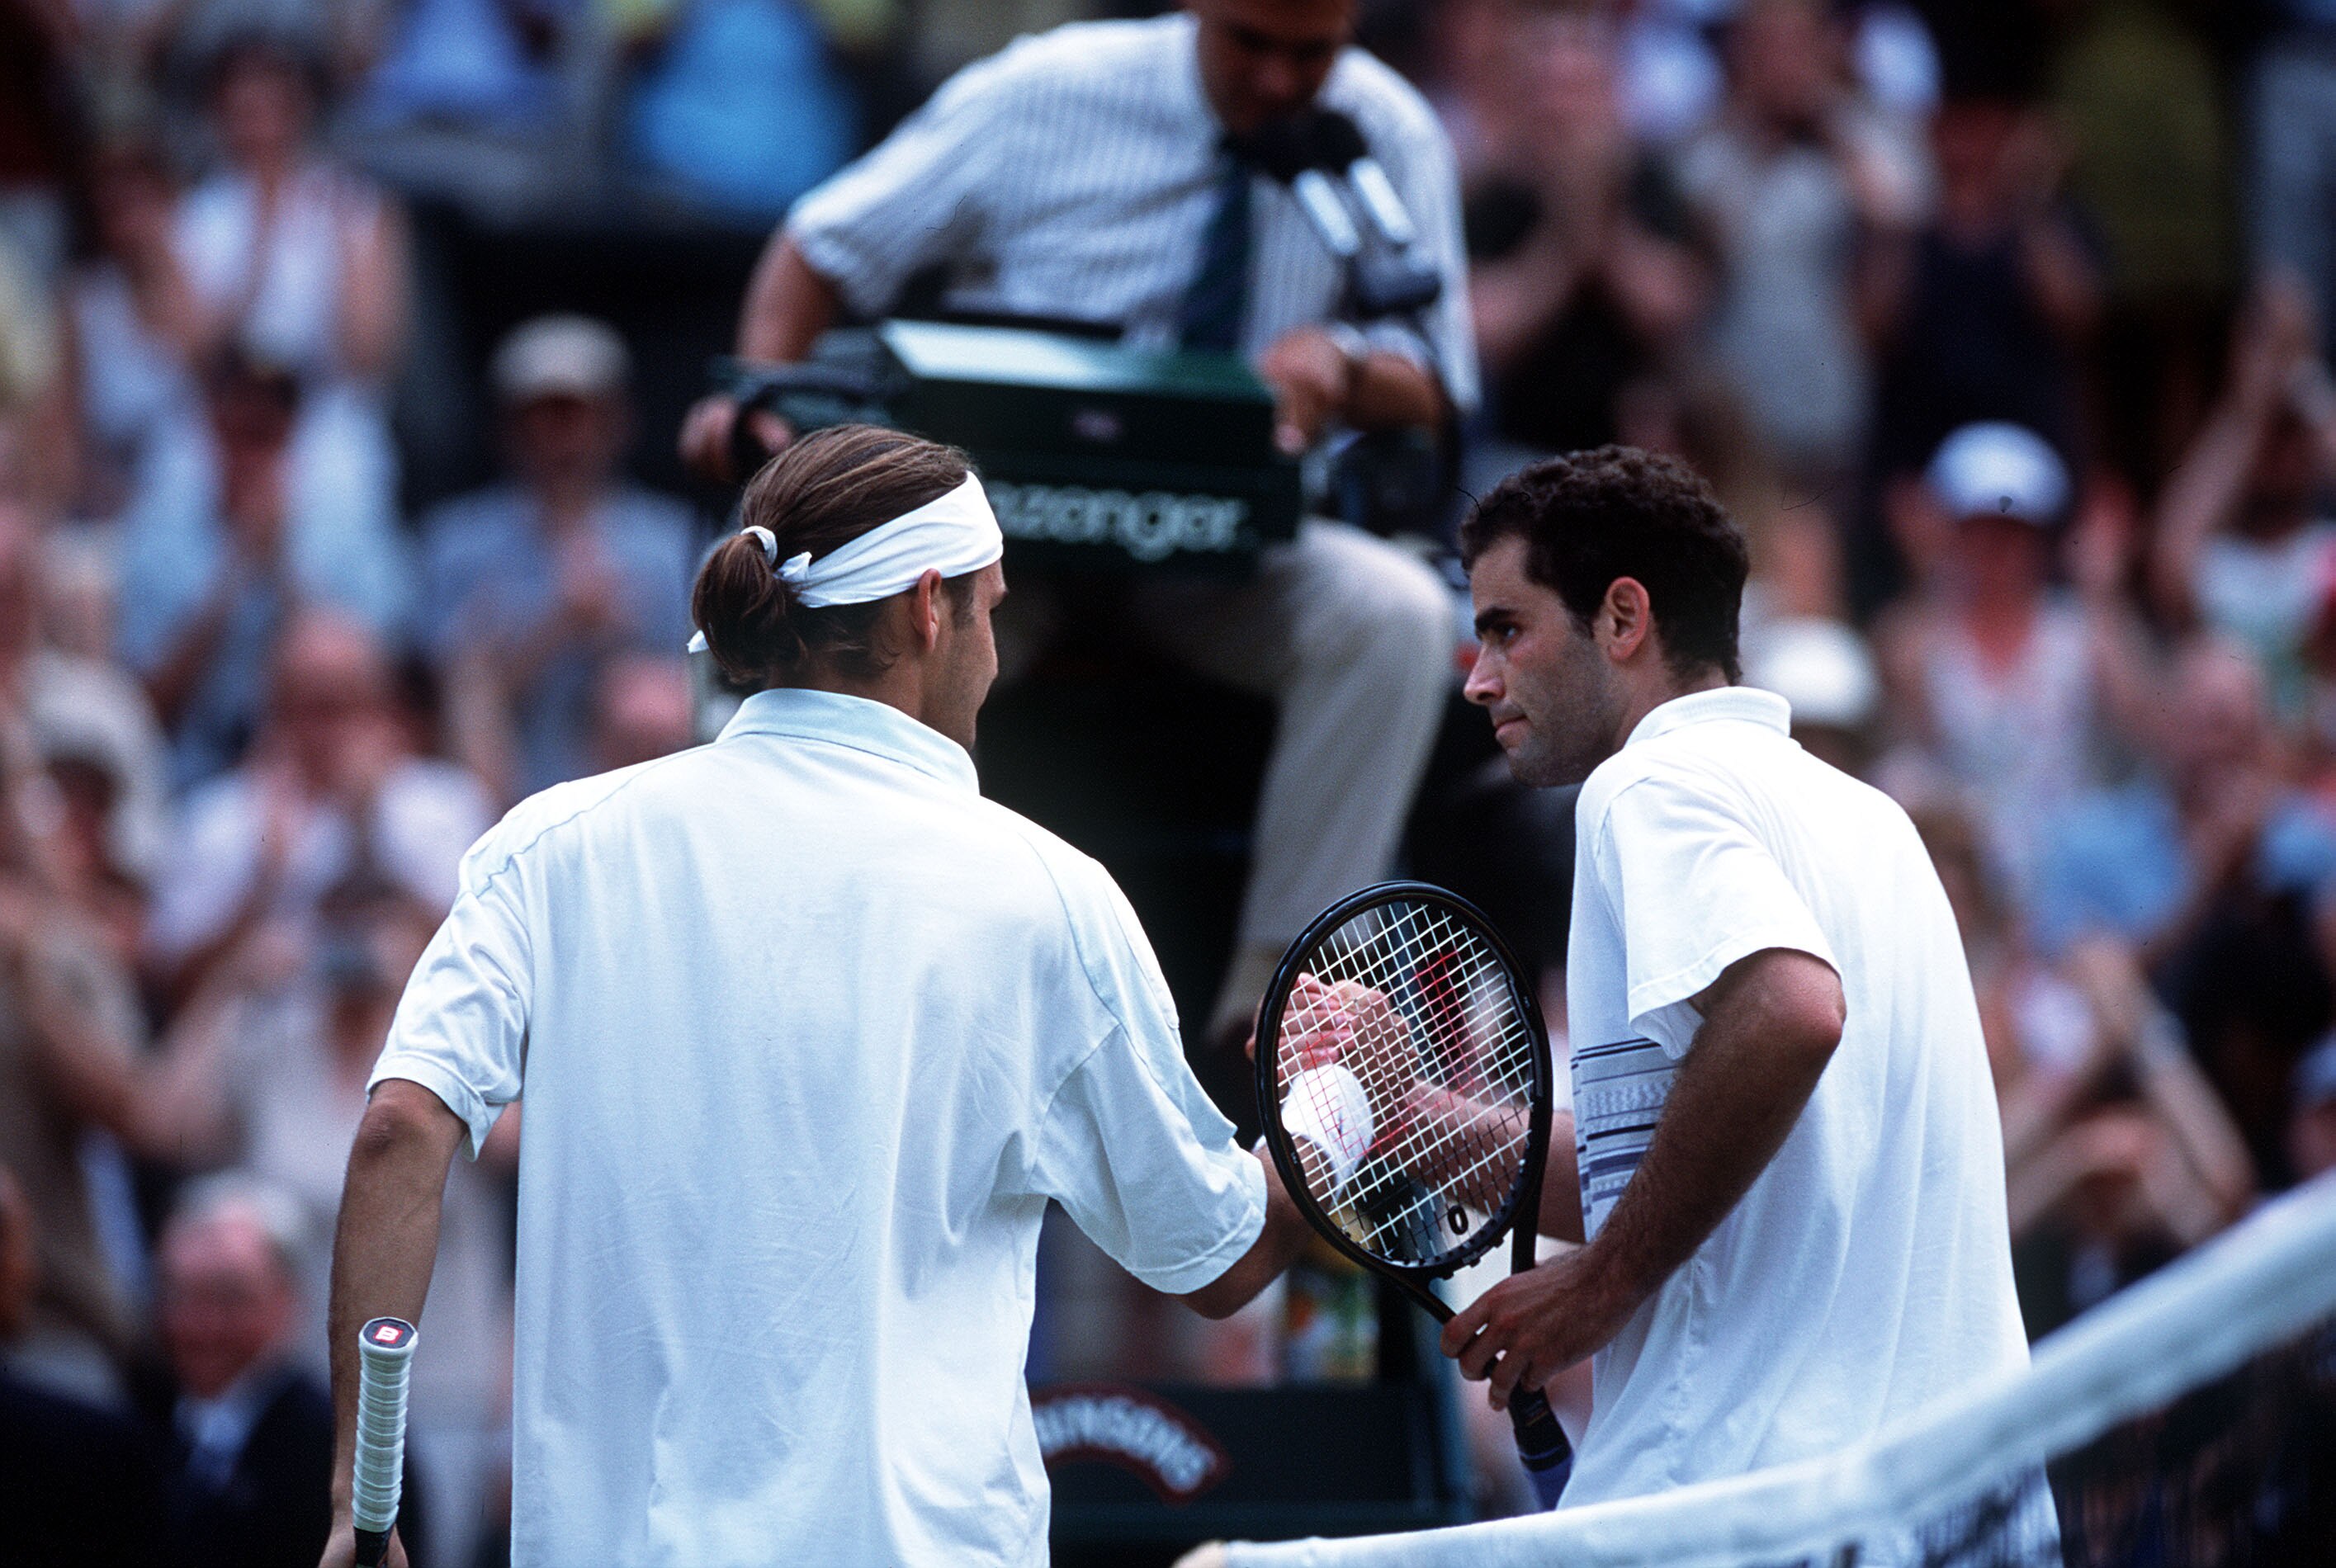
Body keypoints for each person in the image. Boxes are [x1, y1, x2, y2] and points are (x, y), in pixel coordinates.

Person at [324, 426, 1311, 1566]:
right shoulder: (1049, 895)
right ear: (929, 609)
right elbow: (1222, 1256)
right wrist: (1333, 1107)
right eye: (990, 611)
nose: (993, 653)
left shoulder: (549, 848)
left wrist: (366, 1496)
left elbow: (401, 1129)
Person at [677, 0, 1470, 1045]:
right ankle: (787, 942)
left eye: (1310, 55)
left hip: (1229, 546)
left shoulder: (1384, 135)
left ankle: (1276, 1012)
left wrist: (1349, 372)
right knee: (844, 599)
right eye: (1250, 45)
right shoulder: (1050, 90)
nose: (1279, 82)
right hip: (1007, 541)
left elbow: (1441, 381)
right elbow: (821, 246)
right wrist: (775, 424)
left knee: (1396, 615)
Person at [1433, 446, 2045, 1528]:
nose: (1478, 678)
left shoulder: (1645, 786)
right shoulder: (1872, 821)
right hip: (1968, 1515)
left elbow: (1788, 1012)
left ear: (1622, 621)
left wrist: (1598, 1284)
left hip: (1750, 1510)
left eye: (1505, 629)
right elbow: (1713, 1174)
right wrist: (1417, 1129)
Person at [419, 314, 698, 801]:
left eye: (574, 415)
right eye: (541, 416)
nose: (559, 437)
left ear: (615, 421)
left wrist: (620, 636)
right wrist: (556, 628)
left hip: (634, 791)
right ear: (508, 427)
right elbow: (445, 704)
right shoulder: (459, 541)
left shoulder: (667, 538)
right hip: (506, 796)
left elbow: (687, 688)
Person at [158, 1176, 421, 1568]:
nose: (203, 1324)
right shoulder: (136, 1414)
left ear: (287, 1300)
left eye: (230, 1299)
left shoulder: (343, 1443)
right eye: (183, 1296)